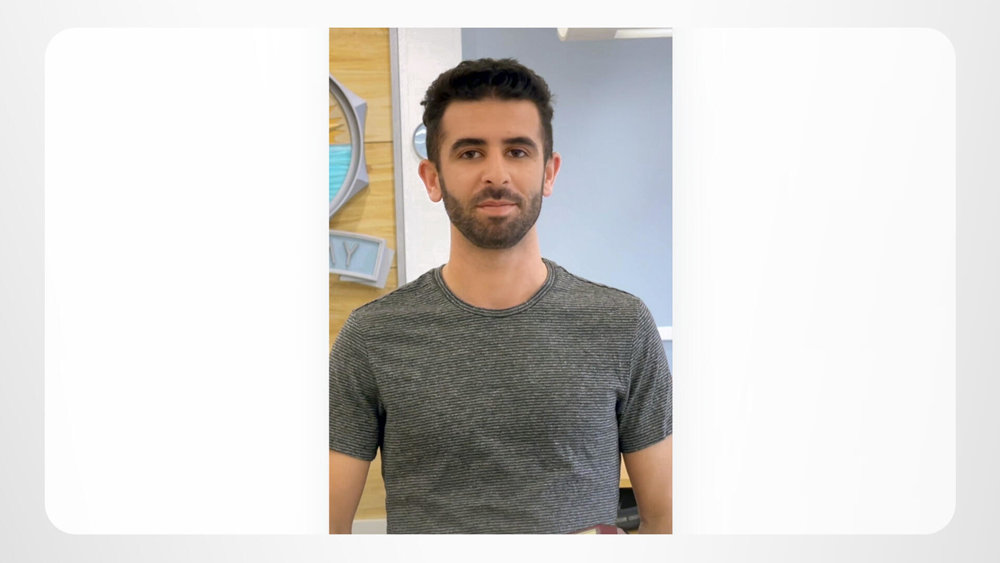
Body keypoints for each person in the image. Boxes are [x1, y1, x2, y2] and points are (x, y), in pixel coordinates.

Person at [329, 58, 672, 534]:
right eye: (470, 153)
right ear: (432, 178)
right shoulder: (371, 337)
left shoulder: (623, 326)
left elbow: (667, 520)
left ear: (549, 173)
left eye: (517, 151)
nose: (496, 174)